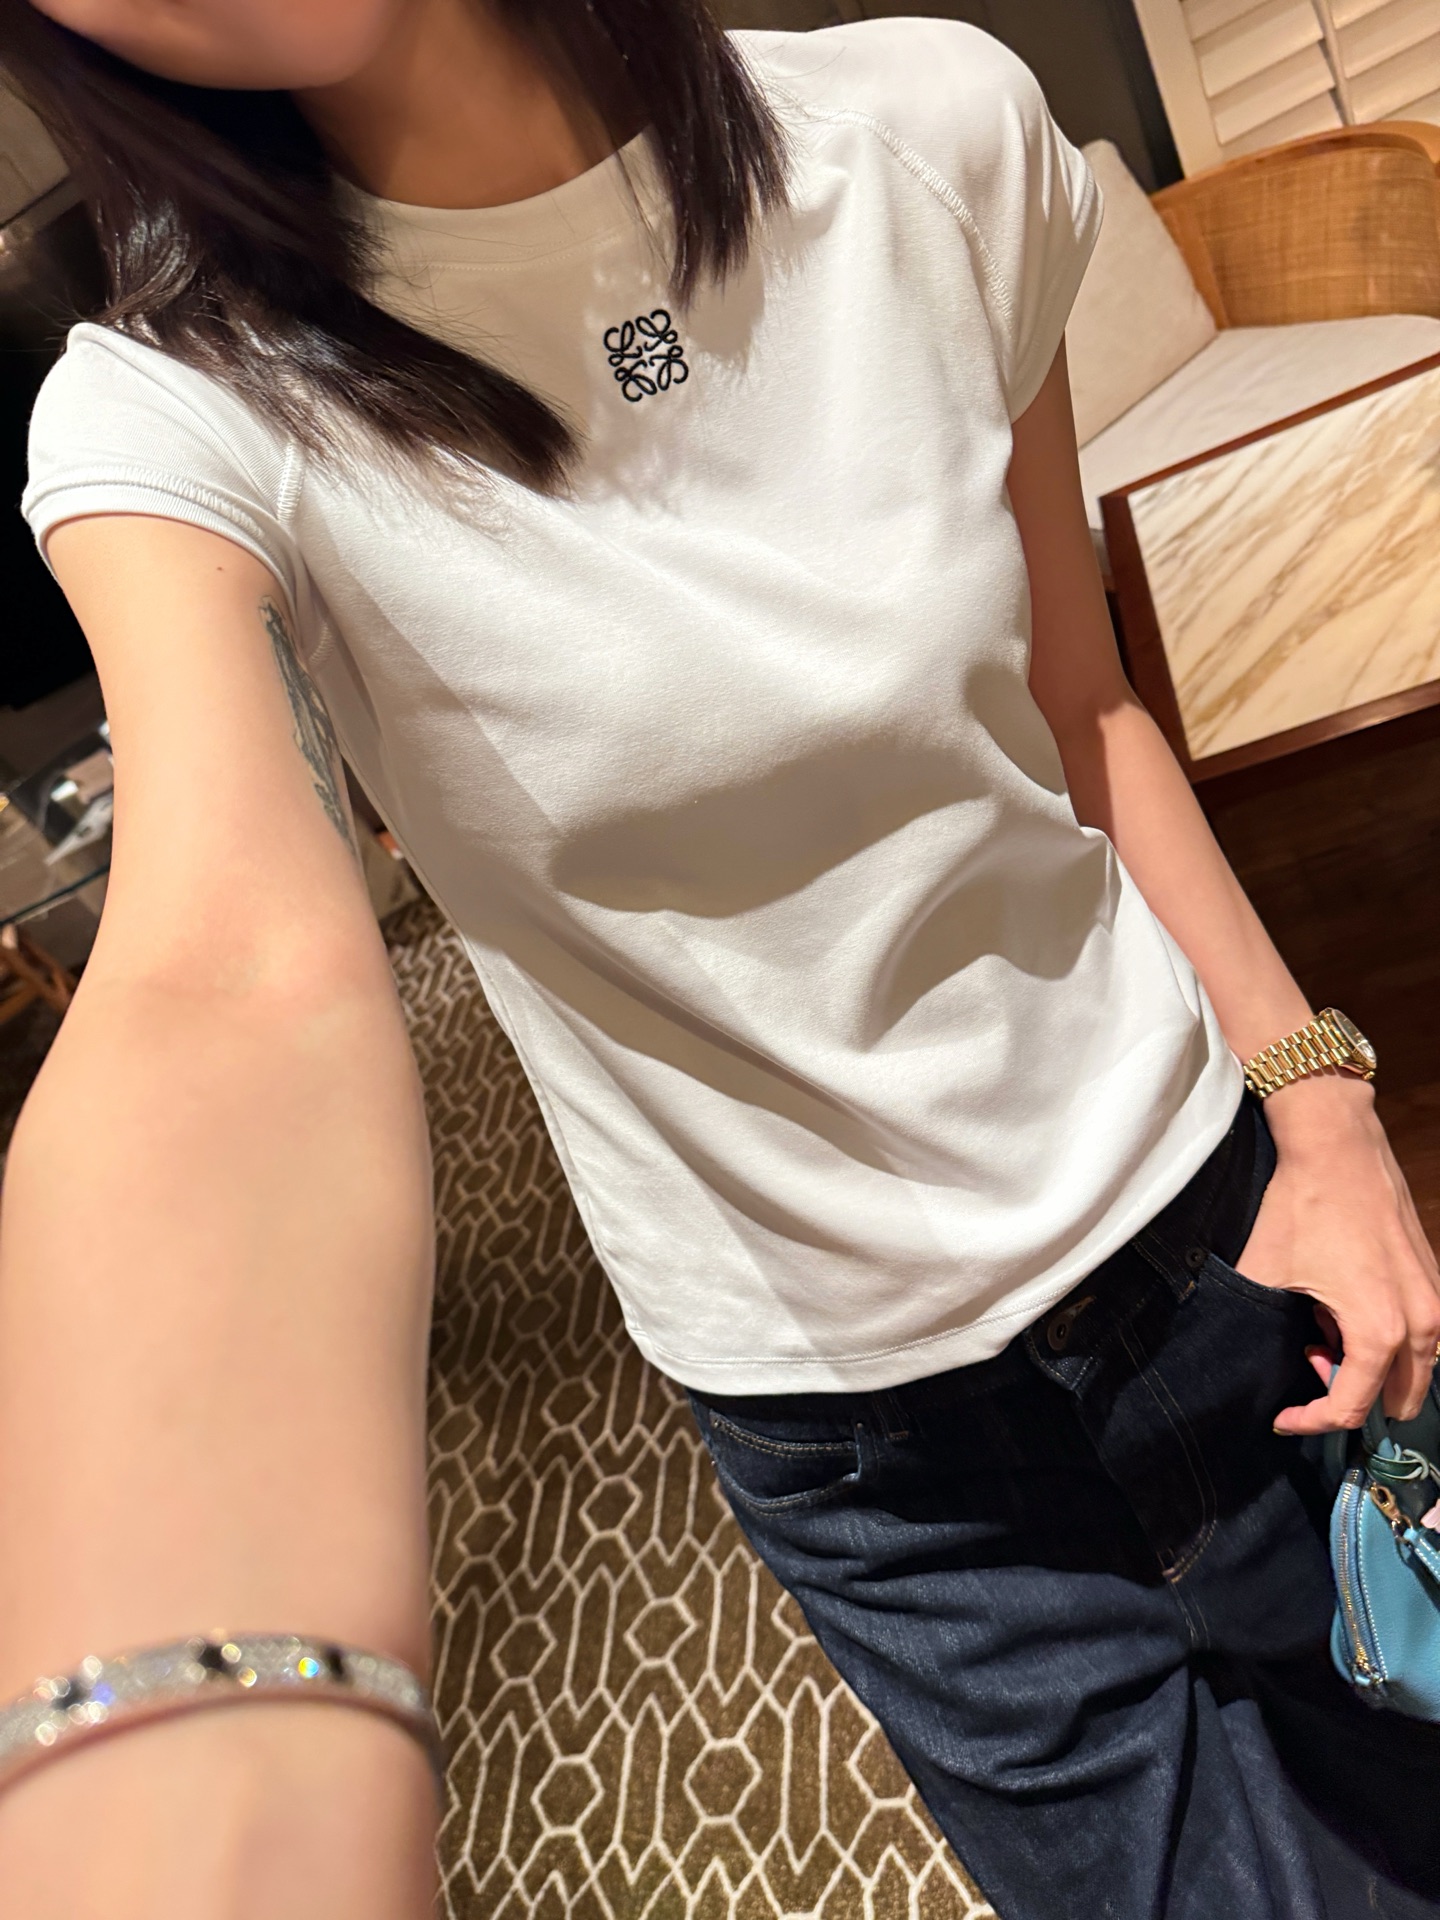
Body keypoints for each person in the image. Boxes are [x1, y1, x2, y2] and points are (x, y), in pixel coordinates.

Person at [0, 0, 1435, 1914]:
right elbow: (223, 972)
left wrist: (1325, 1113)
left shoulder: (934, 131)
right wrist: (160, 1754)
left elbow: (1084, 703)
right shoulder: (177, 413)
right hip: (869, 1454)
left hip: (1217, 1238)